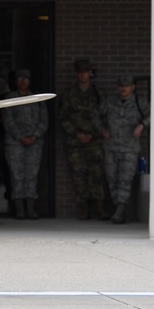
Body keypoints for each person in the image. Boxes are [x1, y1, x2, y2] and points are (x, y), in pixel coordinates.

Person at [94, 74, 149, 224]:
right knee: (112, 178)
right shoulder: (110, 103)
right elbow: (95, 116)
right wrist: (102, 130)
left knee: (125, 179)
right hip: (111, 147)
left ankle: (120, 210)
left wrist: (142, 125)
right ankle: (118, 208)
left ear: (133, 87)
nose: (123, 89)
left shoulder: (139, 103)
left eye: (126, 86)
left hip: (129, 148)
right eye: (121, 86)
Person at [59, 58, 108, 220]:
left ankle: (101, 208)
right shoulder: (69, 93)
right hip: (75, 141)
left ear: (90, 73)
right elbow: (63, 117)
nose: (83, 75)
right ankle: (83, 208)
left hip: (94, 141)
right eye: (80, 72)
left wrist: (93, 134)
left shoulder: (98, 93)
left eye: (85, 72)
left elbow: (104, 117)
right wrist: (77, 134)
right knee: (79, 175)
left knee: (97, 174)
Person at [1, 69, 48, 219]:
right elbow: (8, 121)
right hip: (15, 143)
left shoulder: (37, 99)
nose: (23, 81)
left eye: (26, 78)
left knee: (31, 175)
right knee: (16, 175)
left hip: (34, 143)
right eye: (20, 78)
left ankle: (31, 209)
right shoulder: (10, 98)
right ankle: (19, 209)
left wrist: (34, 136)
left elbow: (44, 120)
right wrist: (21, 137)